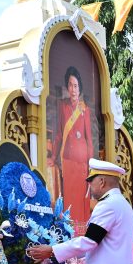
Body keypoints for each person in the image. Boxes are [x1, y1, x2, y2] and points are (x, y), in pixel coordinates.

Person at [52, 66, 94, 232]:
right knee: (70, 198)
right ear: (67, 87)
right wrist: (53, 156)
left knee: (81, 199)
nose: (73, 89)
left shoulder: (85, 110)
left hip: (83, 163)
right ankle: (71, 231)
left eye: (76, 86)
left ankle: (83, 232)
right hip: (68, 161)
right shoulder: (62, 106)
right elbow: (59, 134)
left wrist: (91, 164)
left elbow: (89, 138)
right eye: (70, 85)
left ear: (79, 88)